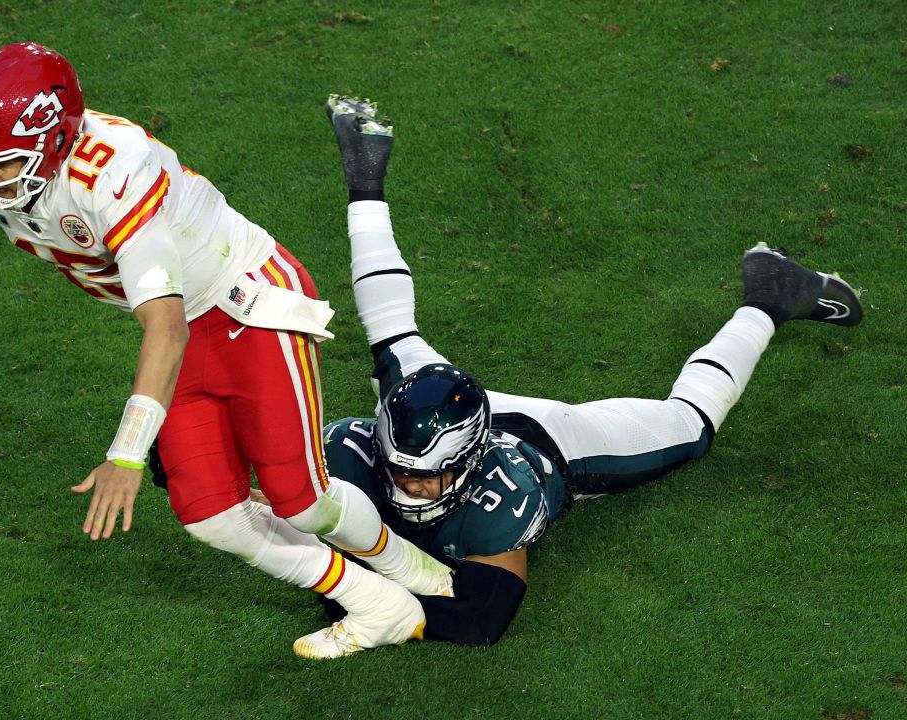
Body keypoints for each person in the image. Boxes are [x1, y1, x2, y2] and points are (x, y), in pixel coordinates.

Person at [0, 44, 454, 657]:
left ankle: (421, 572)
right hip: (185, 322)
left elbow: (167, 325)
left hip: (247, 306)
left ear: (56, 142)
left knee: (300, 499)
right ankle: (380, 607)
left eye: (0, 167)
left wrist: (126, 454)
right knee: (211, 513)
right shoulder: (2, 157)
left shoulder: (115, 175)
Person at [298, 95, 865, 649]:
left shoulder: (503, 493)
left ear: (471, 464)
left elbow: (481, 620)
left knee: (690, 427)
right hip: (448, 410)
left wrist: (374, 601)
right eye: (398, 468)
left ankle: (770, 294)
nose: (407, 485)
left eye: (423, 475)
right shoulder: (355, 447)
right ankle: (365, 175)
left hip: (556, 443)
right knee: (393, 339)